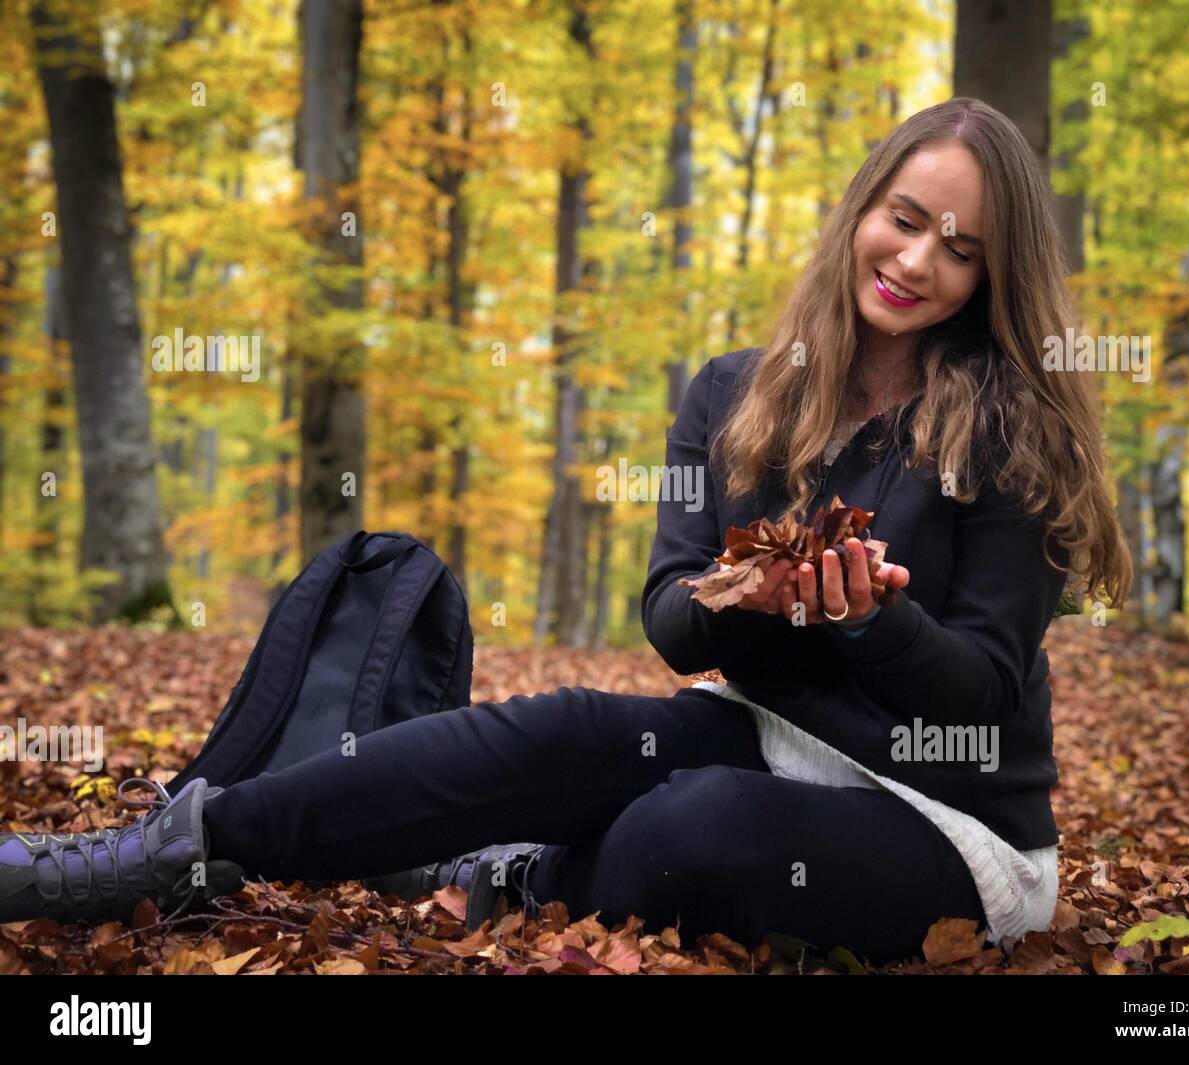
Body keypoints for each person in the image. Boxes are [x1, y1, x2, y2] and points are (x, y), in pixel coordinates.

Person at [0, 97, 1131, 966]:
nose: (917, 260)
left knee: (689, 828)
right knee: (550, 734)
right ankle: (161, 853)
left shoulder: (1009, 432)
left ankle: (516, 869)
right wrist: (741, 600)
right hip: (771, 734)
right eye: (903, 220)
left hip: (950, 816)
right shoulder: (737, 394)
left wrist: (873, 621)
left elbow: (979, 695)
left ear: (993, 274)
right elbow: (672, 626)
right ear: (861, 210)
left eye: (961, 247)